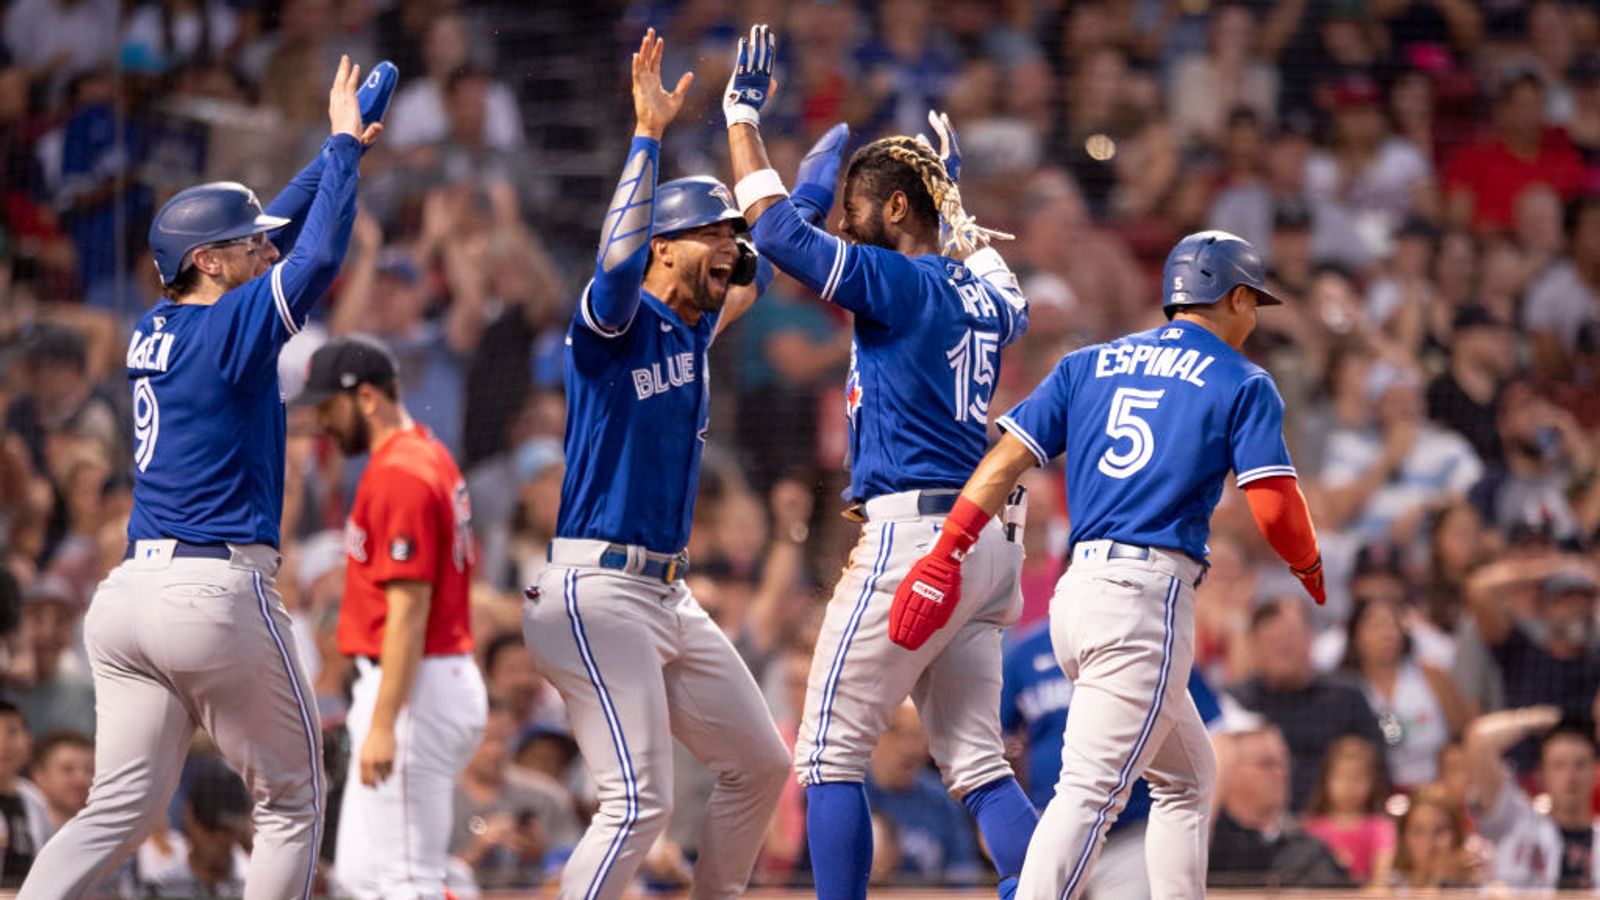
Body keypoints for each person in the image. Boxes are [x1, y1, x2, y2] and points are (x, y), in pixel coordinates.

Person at [17, 56, 381, 900]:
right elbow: (319, 246)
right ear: (210, 262)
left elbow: (283, 224)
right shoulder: (235, 327)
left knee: (117, 809)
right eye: (248, 245)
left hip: (130, 600)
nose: (266, 248)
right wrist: (342, 156)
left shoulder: (161, 319)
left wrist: (340, 144)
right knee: (293, 801)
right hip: (214, 594)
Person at [894, 227, 1328, 899]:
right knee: (1089, 795)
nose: (1253, 319)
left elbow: (1004, 460)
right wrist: (1309, 564)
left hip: (1078, 596)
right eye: (1253, 303)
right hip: (1143, 599)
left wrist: (948, 548)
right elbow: (1272, 503)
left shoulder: (1087, 363)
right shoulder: (1242, 377)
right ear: (1237, 298)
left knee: (1188, 778)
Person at [724, 24, 1040, 898]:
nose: (847, 224)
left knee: (826, 751)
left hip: (915, 537)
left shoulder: (900, 282)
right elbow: (1001, 287)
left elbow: (781, 238)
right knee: (976, 760)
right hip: (983, 543)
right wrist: (957, 208)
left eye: (860, 207)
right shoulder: (988, 290)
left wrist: (742, 122)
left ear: (898, 209)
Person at [520, 31, 789, 900]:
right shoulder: (615, 321)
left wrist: (784, 164)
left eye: (728, 231)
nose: (727, 244)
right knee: (637, 802)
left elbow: (772, 254)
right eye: (710, 231)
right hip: (596, 590)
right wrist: (647, 136)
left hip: (665, 595)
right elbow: (613, 261)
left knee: (760, 764)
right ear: (663, 247)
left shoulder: (695, 326)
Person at [296, 335, 488, 899]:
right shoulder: (423, 452)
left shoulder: (402, 472)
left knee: (408, 881)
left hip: (413, 689)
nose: (325, 423)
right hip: (415, 683)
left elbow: (408, 609)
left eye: (330, 406)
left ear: (369, 399)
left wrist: (383, 723)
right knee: (360, 880)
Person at [1001, 618, 1224, 899]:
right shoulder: (1027, 652)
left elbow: (1218, 731)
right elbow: (997, 740)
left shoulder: (1154, 645)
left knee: (1182, 787)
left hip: (1130, 835)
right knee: (1084, 796)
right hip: (1050, 824)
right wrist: (1004, 816)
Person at [1231, 598, 1389, 811]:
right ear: (1253, 646)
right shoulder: (1236, 705)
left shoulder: (1347, 696)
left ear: (1311, 639)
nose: (1282, 649)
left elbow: (1378, 766)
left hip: (1334, 821)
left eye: (1290, 638)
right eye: (1272, 640)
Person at [1464, 706, 1600, 888]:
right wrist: (1534, 719)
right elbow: (1479, 740)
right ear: (1541, 774)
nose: (1570, 776)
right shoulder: (1515, 821)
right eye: (1558, 765)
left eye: (1580, 765)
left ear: (1595, 771)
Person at [1207, 725, 1353, 890]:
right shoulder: (1211, 846)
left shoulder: (1309, 851)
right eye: (1267, 764)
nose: (1281, 772)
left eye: (1284, 763)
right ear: (1228, 773)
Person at [1301, 736, 1395, 883]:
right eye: (1341, 778)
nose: (1348, 787)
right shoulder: (1311, 829)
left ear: (1372, 782)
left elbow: (1381, 878)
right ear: (1326, 780)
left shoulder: (1381, 828)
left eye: (1357, 779)